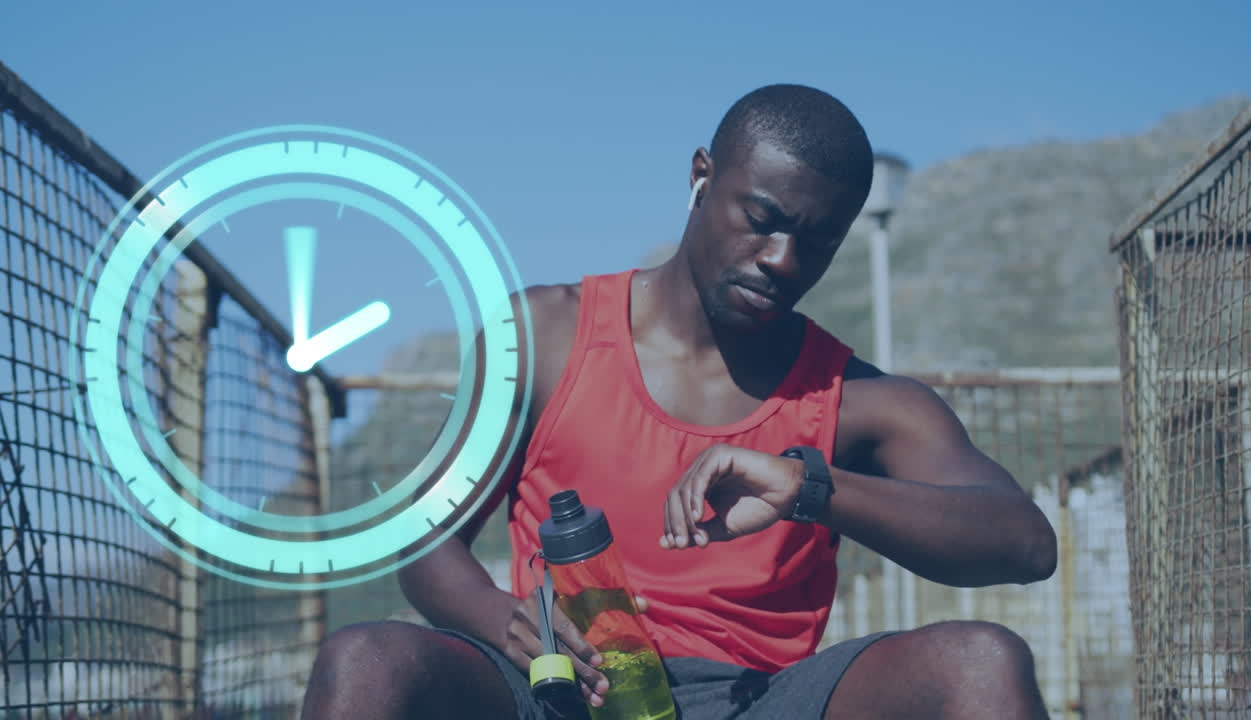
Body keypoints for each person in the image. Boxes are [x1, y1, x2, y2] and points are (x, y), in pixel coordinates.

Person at [300, 83, 1058, 720]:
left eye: (818, 242)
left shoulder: (860, 399)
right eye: (761, 219)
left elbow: (1025, 544)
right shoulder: (542, 336)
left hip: (758, 698)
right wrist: (507, 624)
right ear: (701, 175)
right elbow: (427, 540)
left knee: (981, 665)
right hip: (562, 689)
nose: (782, 260)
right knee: (365, 661)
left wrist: (809, 487)